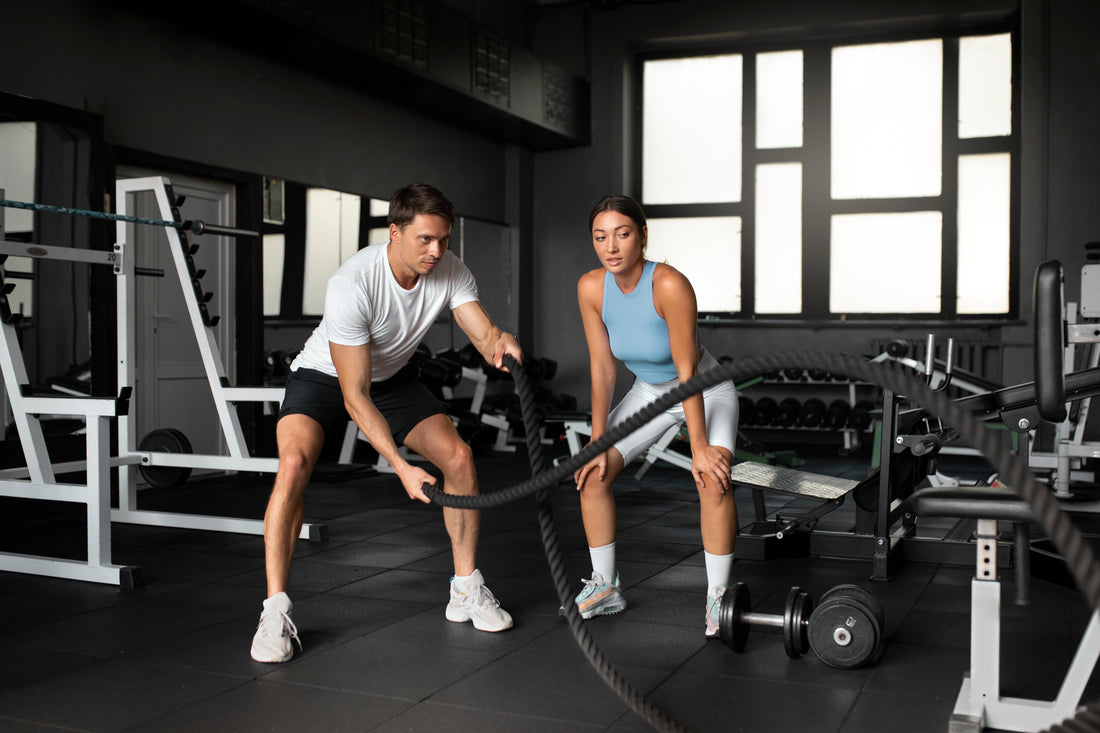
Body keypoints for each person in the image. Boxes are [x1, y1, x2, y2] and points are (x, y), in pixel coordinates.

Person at [250, 182, 522, 663]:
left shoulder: (451, 270)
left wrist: (503, 342)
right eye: (425, 240)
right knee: (292, 465)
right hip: (326, 378)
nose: (437, 251)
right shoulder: (352, 284)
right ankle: (275, 611)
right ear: (394, 232)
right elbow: (354, 399)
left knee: (458, 456)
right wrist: (401, 466)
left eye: (444, 239)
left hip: (392, 379)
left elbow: (483, 334)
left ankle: (465, 587)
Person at [571, 194, 738, 637]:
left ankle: (719, 597)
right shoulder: (591, 288)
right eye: (600, 237)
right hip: (648, 391)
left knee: (711, 478)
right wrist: (597, 438)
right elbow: (603, 367)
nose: (611, 246)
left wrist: (700, 448)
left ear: (642, 236)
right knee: (593, 473)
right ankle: (606, 587)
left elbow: (688, 373)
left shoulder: (669, 285)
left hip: (706, 386)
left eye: (622, 234)